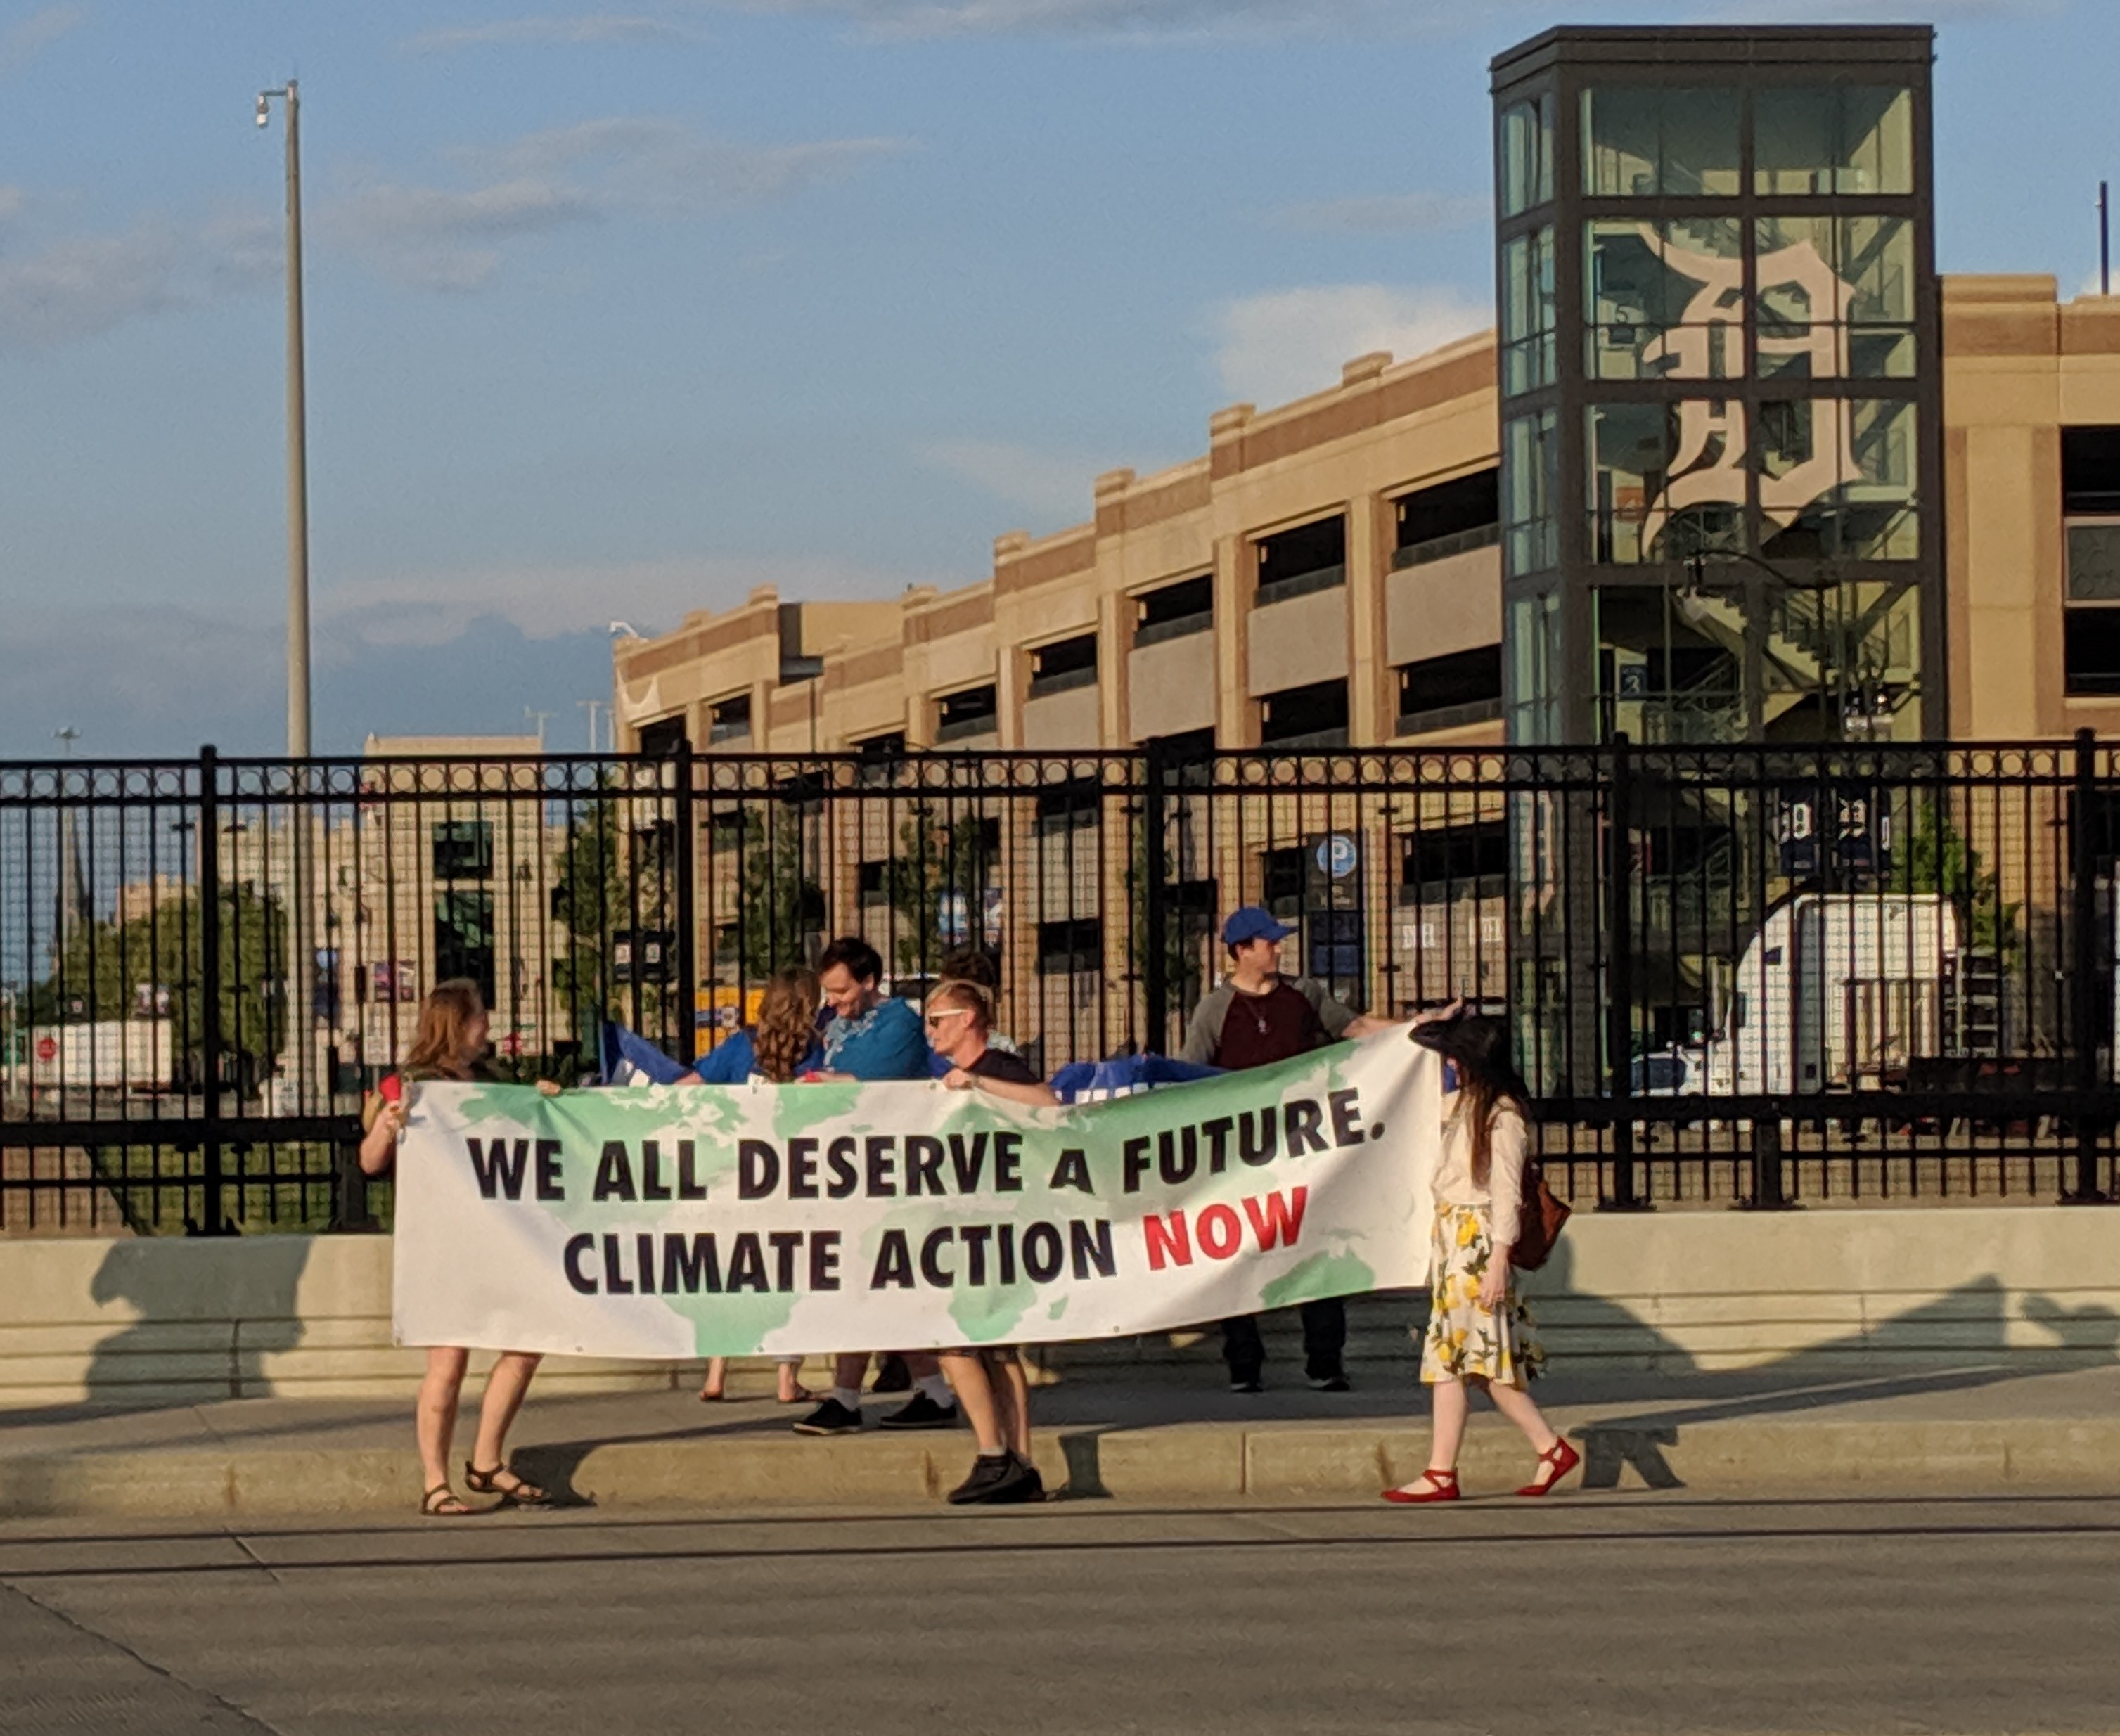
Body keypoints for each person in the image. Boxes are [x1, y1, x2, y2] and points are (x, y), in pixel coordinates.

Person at [1178, 906, 1399, 1393]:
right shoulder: (1215, 1009)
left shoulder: (1304, 993)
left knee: (1318, 1250)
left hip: (1305, 1152)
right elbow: (1191, 1075)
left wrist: (1413, 1027)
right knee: (1238, 1257)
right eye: (1269, 942)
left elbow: (1355, 1028)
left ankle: (1325, 1361)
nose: (1278, 949)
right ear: (1242, 951)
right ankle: (1243, 1363)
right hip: (1242, 1156)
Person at [357, 979, 556, 1517]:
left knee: (525, 1344)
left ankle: (486, 1459)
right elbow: (369, 1160)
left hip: (497, 1236)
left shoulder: (492, 1080)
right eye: (479, 1017)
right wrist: (389, 1125)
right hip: (443, 1243)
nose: (487, 1026)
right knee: (448, 1362)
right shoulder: (410, 1083)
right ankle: (435, 1481)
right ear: (455, 1023)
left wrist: (543, 1103)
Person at [1385, 1013, 1579, 1503]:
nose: (1450, 1064)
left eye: (1458, 1057)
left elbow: (1506, 1193)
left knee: (1465, 1361)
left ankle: (1449, 1470)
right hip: (1454, 1240)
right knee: (1468, 1362)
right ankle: (1542, 1450)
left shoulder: (1502, 1117)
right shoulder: (1466, 1104)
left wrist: (1497, 1261)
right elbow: (1412, 1097)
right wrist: (1425, 1024)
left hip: (1478, 1242)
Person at [794, 936, 961, 1437]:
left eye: (842, 991)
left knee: (865, 1279)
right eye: (829, 992)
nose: (833, 1002)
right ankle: (931, 1392)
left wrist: (821, 1082)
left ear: (869, 982)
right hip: (850, 1168)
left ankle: (848, 1399)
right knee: (872, 1284)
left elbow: (871, 1084)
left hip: (888, 1169)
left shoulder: (899, 1023)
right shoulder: (836, 1023)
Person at [932, 979, 1054, 1503]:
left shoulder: (997, 1067)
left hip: (998, 1225)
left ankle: (994, 1455)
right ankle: (1019, 1463)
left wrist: (978, 1084)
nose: (930, 1031)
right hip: (972, 1223)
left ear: (967, 1019)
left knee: (954, 1342)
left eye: (937, 1020)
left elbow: (1048, 1104)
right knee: (996, 1349)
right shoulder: (944, 1077)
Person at [688, 967, 821, 1407]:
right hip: (792, 1174)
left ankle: (716, 1373)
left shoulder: (741, 1045)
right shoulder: (814, 1050)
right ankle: (786, 1378)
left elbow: (692, 1085)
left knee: (731, 1270)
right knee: (792, 1273)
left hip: (735, 1173)